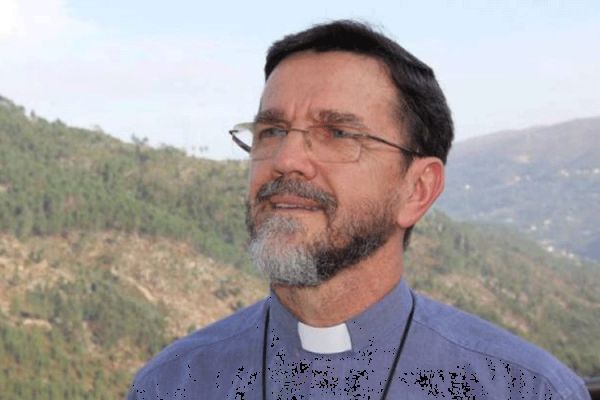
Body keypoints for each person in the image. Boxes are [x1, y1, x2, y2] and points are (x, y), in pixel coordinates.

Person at [128, 20, 590, 399]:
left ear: (418, 189)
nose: (287, 160)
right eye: (271, 131)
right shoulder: (173, 384)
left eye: (338, 134)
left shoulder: (523, 389)